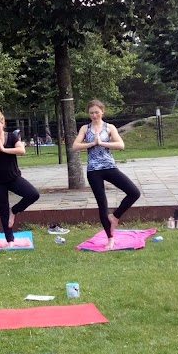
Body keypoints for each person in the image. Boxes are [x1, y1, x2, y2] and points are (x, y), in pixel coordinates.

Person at [72, 100, 140, 249]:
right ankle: (110, 238)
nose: (94, 115)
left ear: (102, 111)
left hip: (109, 167)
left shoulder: (109, 127)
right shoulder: (85, 128)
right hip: (93, 171)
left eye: (97, 112)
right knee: (102, 205)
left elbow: (120, 145)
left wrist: (102, 143)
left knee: (134, 192)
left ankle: (115, 217)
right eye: (91, 113)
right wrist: (91, 144)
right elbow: (75, 146)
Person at [0, 110, 40, 247]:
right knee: (3, 209)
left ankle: (15, 210)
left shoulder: (11, 137)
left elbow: (21, 150)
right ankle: (10, 240)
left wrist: (4, 150)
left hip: (13, 178)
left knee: (33, 194)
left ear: (3, 124)